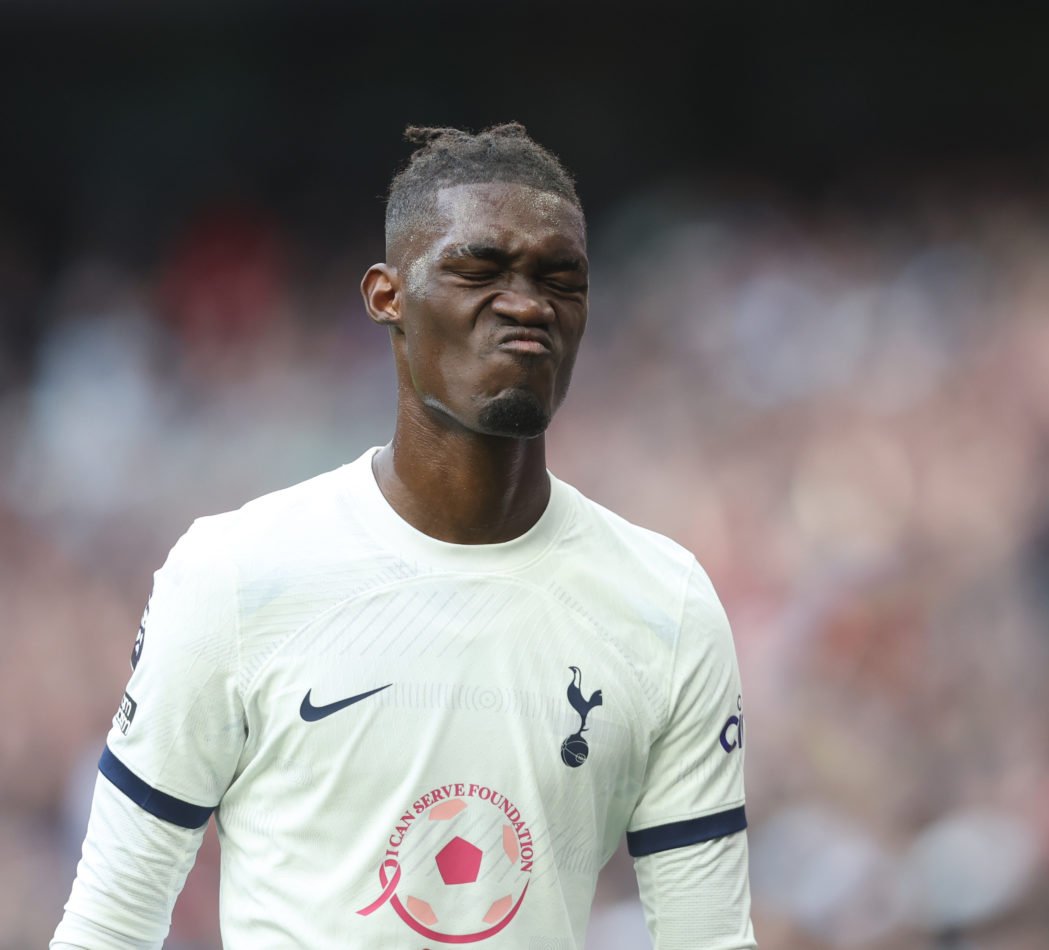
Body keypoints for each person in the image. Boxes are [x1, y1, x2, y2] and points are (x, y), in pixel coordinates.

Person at [52, 123, 755, 949]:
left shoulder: (664, 605)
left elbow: (707, 939)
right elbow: (111, 922)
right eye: (479, 269)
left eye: (559, 277)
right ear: (386, 296)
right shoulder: (235, 576)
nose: (528, 303)